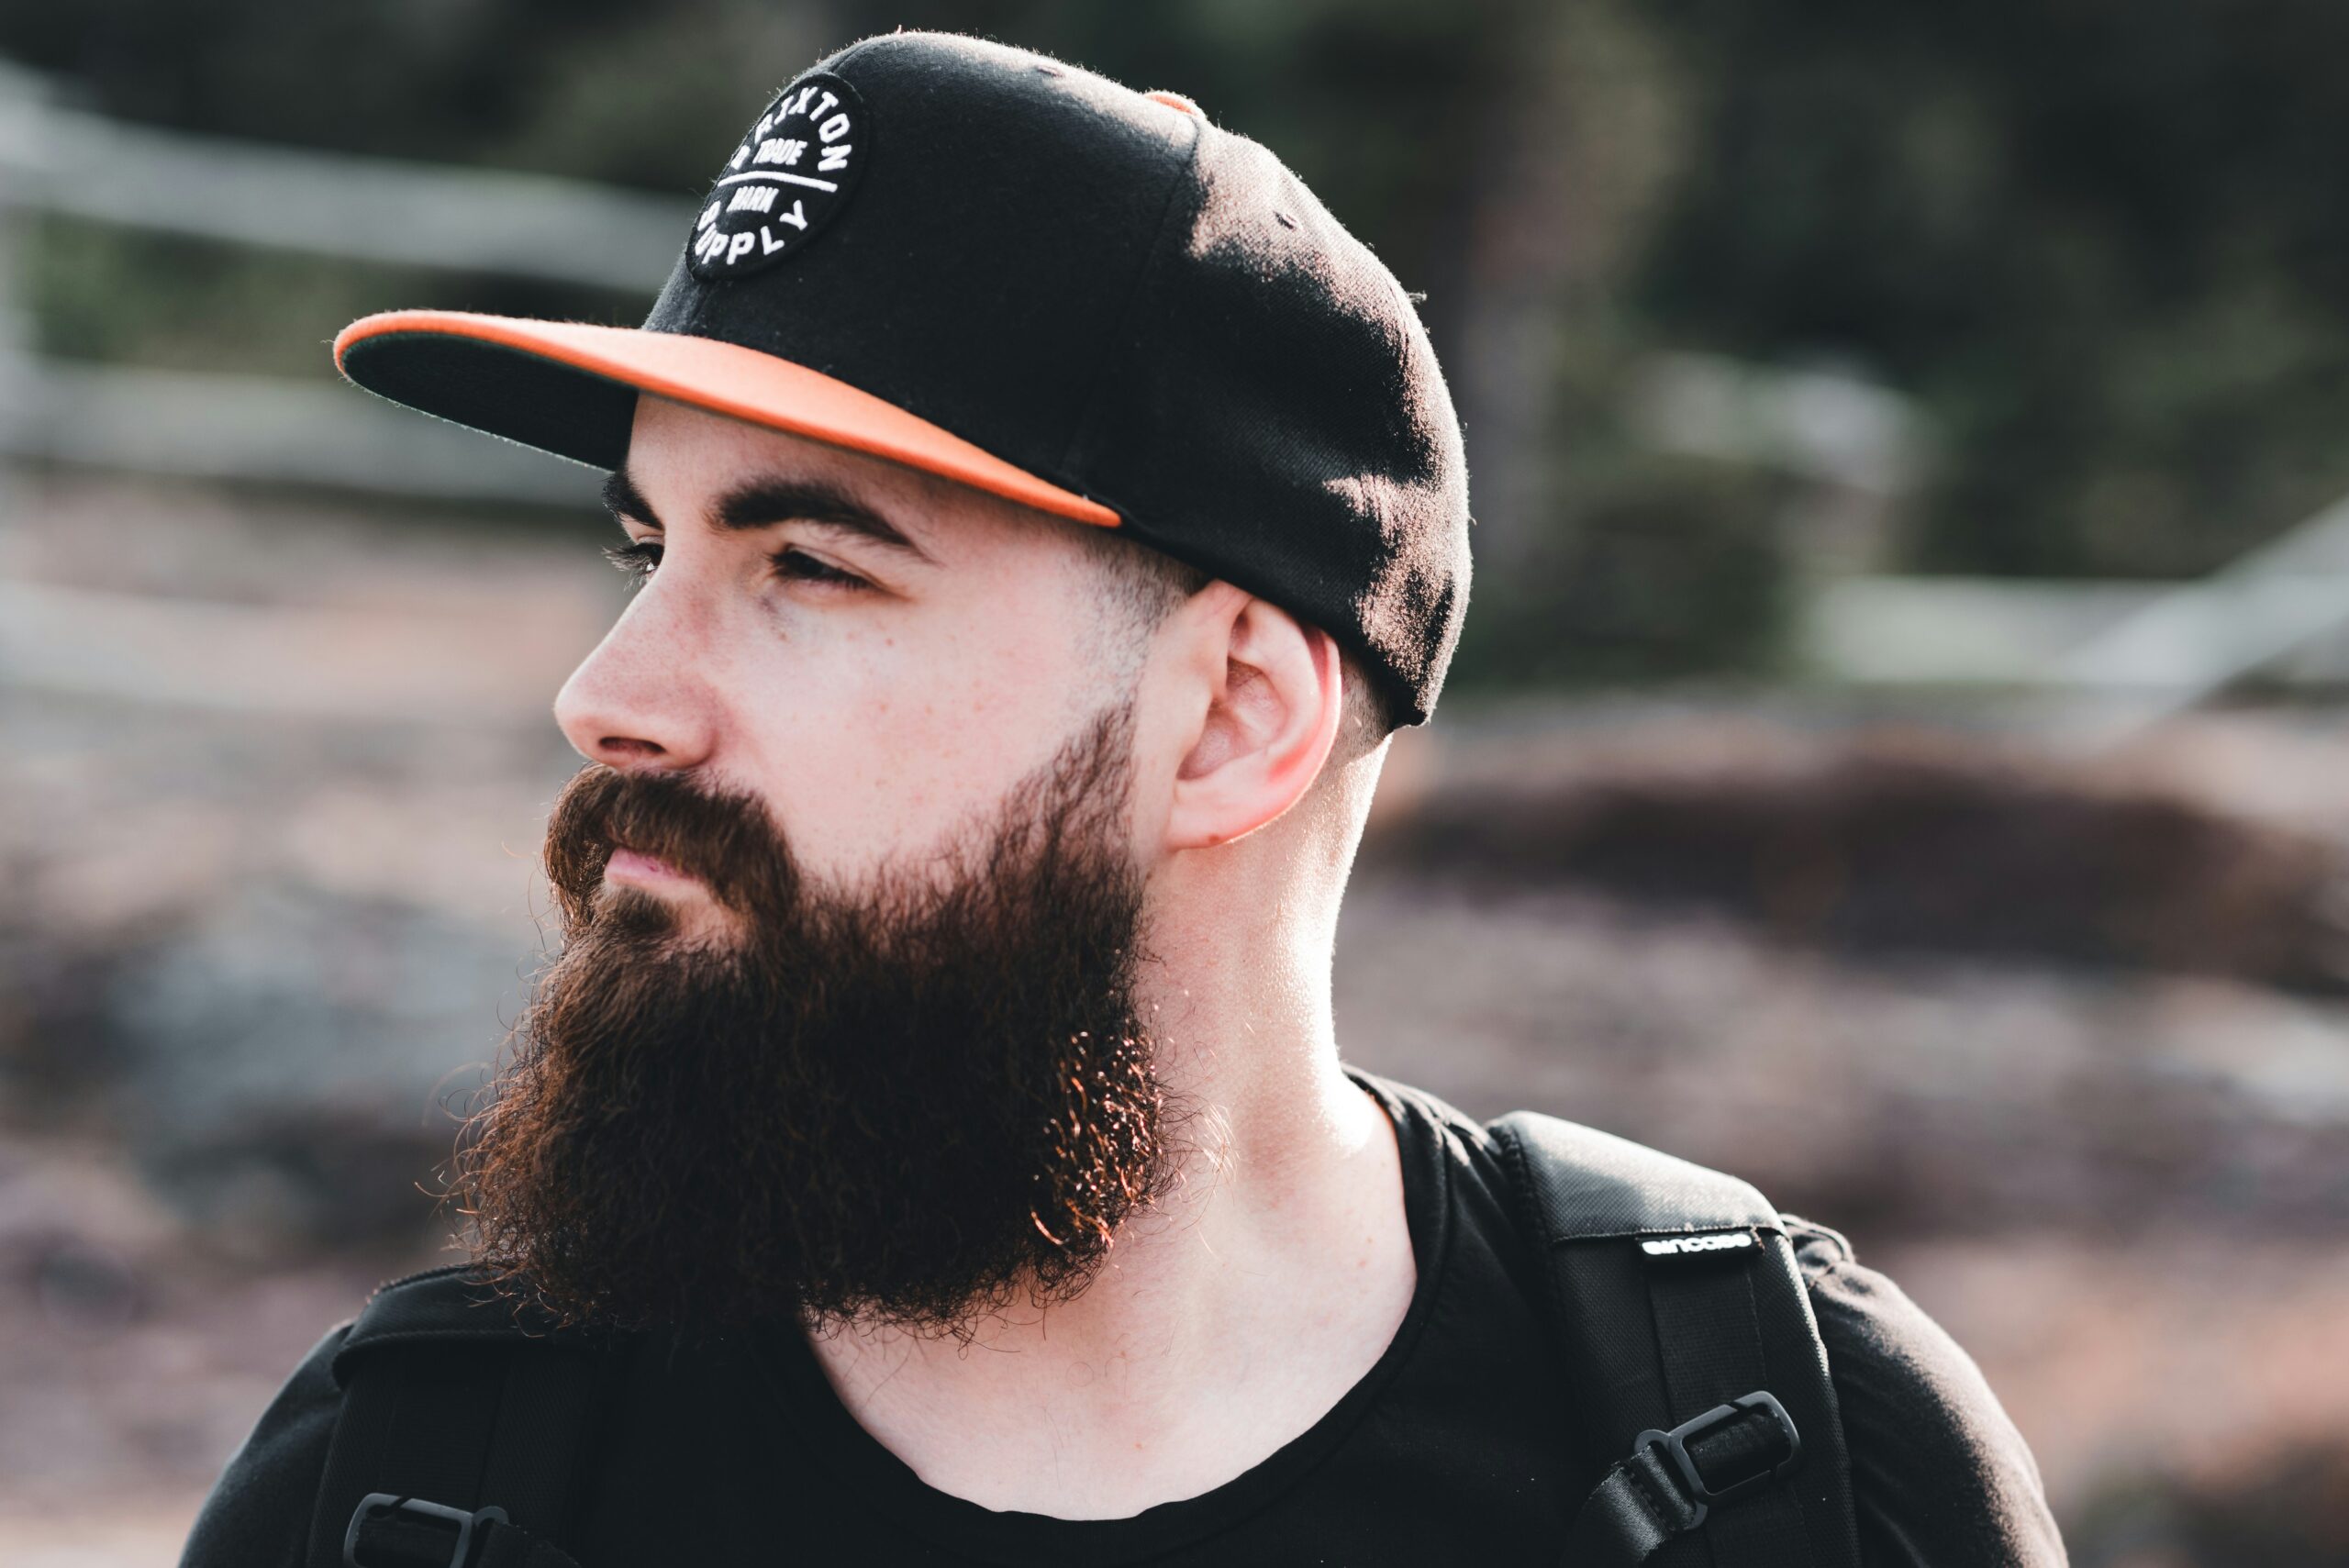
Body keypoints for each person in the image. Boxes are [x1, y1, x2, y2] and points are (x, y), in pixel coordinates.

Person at [180, 30, 2065, 1568]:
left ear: (1233, 713)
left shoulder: (1788, 1475)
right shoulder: (410, 1497)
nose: (609, 701)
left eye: (809, 567)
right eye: (644, 552)